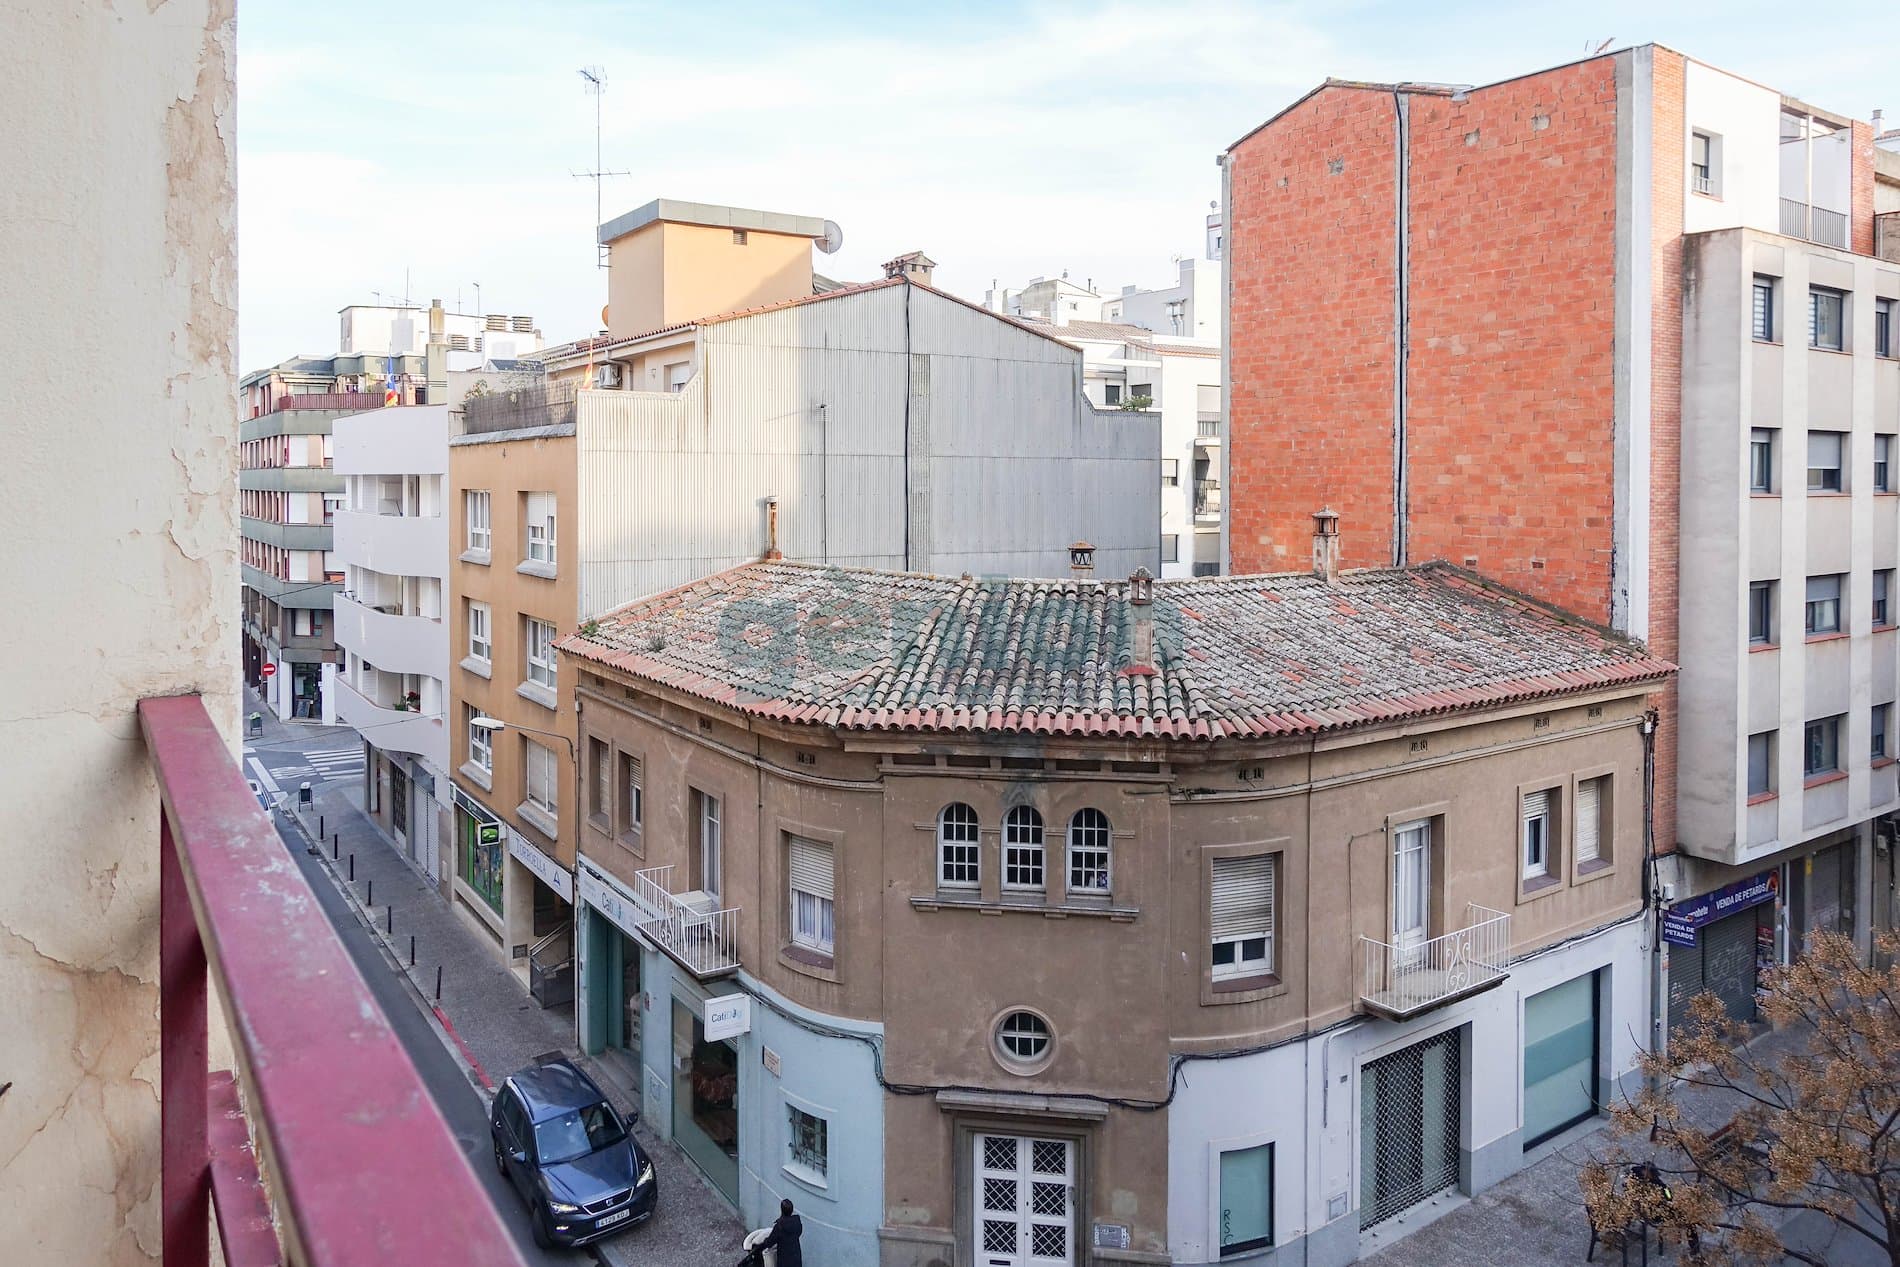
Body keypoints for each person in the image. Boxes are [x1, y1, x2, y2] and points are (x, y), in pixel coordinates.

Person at [760, 1197, 803, 1267]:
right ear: (792, 1210)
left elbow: (770, 1242)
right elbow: (799, 1233)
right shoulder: (797, 1223)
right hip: (796, 1257)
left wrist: (764, 1242)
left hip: (785, 1259)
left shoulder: (780, 1226)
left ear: (782, 1210)